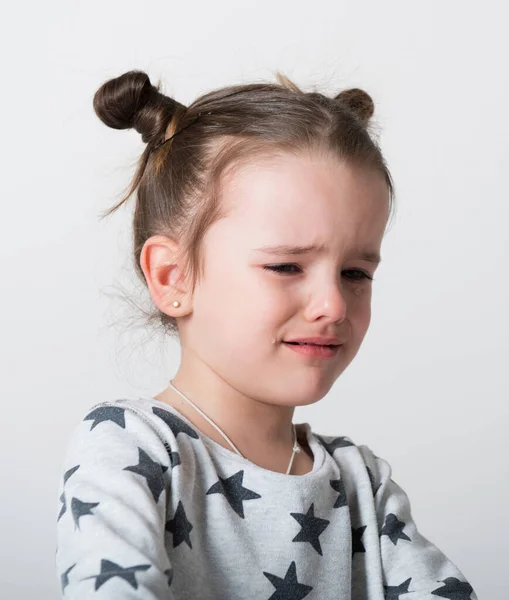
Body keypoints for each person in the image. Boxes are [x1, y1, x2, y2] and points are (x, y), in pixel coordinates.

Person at [55, 69, 479, 599]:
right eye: (285, 267)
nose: (332, 305)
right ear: (173, 278)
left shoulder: (360, 483)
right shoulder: (130, 448)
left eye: (355, 274)